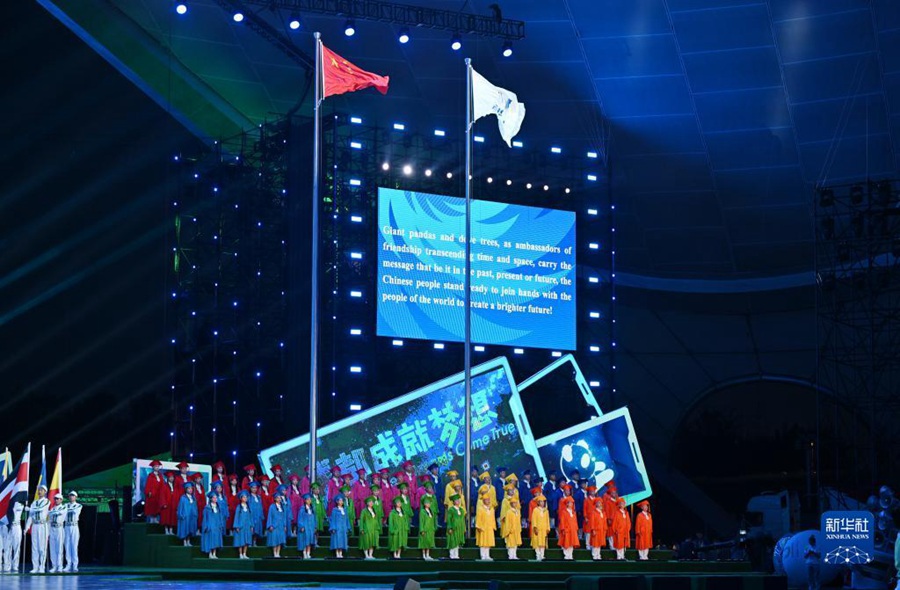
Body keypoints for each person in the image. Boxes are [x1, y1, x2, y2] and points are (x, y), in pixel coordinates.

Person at [25, 483, 51, 573]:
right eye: (39, 490)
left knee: (42, 547)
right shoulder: (34, 502)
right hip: (35, 526)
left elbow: (40, 509)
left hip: (42, 525)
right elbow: (30, 517)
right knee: (34, 547)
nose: (39, 491)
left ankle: (41, 567)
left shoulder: (47, 501)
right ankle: (35, 567)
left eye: (41, 490)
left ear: (45, 492)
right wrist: (27, 527)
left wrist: (29, 509)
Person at [63, 491, 83, 572]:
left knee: (74, 546)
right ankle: (68, 564)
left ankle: (75, 565)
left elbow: (75, 512)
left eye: (73, 496)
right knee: (67, 546)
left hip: (74, 526)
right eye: (70, 496)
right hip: (67, 526)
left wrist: (66, 510)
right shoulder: (65, 505)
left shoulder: (78, 505)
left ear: (76, 497)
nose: (71, 497)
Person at [201, 491, 224, 559]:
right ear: (211, 499)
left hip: (217, 526)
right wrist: (206, 526)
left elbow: (220, 517)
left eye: (216, 498)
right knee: (210, 540)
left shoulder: (218, 507)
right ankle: (210, 553)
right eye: (214, 498)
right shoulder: (207, 508)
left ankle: (214, 553)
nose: (215, 499)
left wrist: (221, 524)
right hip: (210, 526)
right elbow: (205, 518)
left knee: (216, 540)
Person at [47, 493, 66, 573]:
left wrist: (50, 513)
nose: (56, 500)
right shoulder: (53, 508)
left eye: (58, 499)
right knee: (52, 548)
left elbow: (60, 513)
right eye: (55, 498)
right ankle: (54, 566)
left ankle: (60, 566)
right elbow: (49, 519)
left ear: (61, 500)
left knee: (59, 548)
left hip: (59, 528)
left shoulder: (64, 507)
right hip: (52, 528)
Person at [4, 499, 24, 572]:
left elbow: (17, 510)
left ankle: (15, 565)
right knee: (7, 546)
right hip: (9, 526)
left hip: (17, 526)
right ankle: (7, 565)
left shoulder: (20, 505)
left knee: (16, 546)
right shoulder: (7, 504)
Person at [557, 494, 580, 560]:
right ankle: (566, 556)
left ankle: (570, 555)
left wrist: (576, 529)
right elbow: (562, 521)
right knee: (566, 543)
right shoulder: (564, 512)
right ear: (567, 504)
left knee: (572, 543)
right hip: (567, 530)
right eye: (570, 503)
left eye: (572, 503)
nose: (571, 504)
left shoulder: (573, 512)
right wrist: (563, 529)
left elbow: (575, 521)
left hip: (573, 530)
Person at [476, 490, 497, 561]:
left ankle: (487, 555)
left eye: (488, 500)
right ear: (483, 501)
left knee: (488, 542)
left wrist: (493, 526)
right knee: (483, 542)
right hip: (483, 528)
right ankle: (483, 555)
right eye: (486, 500)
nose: (488, 501)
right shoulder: (480, 509)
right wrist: (479, 526)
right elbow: (478, 518)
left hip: (489, 528)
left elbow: (493, 518)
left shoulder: (491, 509)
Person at [358, 495, 381, 560]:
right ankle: (366, 555)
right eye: (370, 502)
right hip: (366, 528)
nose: (371, 503)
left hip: (373, 529)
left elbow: (376, 520)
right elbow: (362, 520)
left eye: (372, 502)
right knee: (366, 542)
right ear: (367, 503)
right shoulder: (364, 511)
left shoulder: (374, 510)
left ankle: (370, 555)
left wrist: (377, 528)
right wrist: (361, 529)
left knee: (372, 542)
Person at [232, 490, 253, 559]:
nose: (245, 498)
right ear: (241, 498)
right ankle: (240, 554)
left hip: (247, 525)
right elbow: (236, 517)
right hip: (241, 526)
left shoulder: (248, 507)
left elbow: (250, 517)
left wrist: (251, 525)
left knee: (246, 540)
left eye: (246, 497)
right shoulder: (239, 507)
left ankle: (244, 553)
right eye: (244, 497)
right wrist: (236, 526)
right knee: (241, 540)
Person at [266, 492, 288, 558]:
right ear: (275, 499)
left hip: (281, 525)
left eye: (280, 498)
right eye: (277, 498)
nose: (279, 499)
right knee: (275, 540)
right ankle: (274, 552)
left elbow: (284, 517)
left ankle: (278, 553)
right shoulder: (272, 507)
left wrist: (284, 525)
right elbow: (270, 516)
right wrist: (270, 525)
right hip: (274, 525)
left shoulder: (282, 507)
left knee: (280, 539)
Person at [176, 482, 199, 547]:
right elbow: (180, 507)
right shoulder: (183, 498)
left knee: (190, 529)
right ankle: (184, 541)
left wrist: (195, 514)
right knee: (185, 529)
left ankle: (188, 541)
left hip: (192, 517)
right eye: (189, 488)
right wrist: (181, 515)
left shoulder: (193, 498)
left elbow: (195, 507)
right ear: (186, 489)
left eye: (191, 488)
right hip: (185, 516)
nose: (190, 490)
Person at [296, 494, 318, 559]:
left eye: (310, 499)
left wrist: (315, 527)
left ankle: (308, 553)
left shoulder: (312, 509)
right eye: (308, 499)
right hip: (305, 527)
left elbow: (314, 518)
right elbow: (300, 518)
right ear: (305, 500)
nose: (309, 500)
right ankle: (304, 553)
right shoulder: (302, 509)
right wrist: (301, 526)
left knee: (310, 540)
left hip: (311, 527)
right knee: (305, 540)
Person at [445, 493, 466, 560]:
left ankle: (456, 555)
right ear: (453, 502)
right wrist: (450, 528)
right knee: (453, 541)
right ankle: (452, 555)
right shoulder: (451, 510)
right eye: (456, 500)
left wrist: (464, 528)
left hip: (459, 528)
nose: (458, 501)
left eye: (458, 500)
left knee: (457, 542)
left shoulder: (461, 510)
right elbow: (449, 519)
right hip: (453, 528)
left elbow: (462, 520)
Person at [530, 494, 550, 562]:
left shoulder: (546, 511)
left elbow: (547, 520)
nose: (542, 503)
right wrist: (535, 527)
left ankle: (542, 555)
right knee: (537, 542)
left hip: (544, 529)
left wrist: (548, 528)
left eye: (543, 501)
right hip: (538, 529)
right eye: (540, 501)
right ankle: (538, 555)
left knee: (543, 543)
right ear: (538, 502)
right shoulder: (535, 510)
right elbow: (534, 519)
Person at [418, 496, 437, 561]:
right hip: (425, 529)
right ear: (424, 504)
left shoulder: (431, 511)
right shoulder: (422, 511)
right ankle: (424, 555)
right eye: (427, 503)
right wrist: (422, 530)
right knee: (424, 543)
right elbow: (421, 521)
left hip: (430, 529)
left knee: (429, 542)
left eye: (429, 503)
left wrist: (433, 528)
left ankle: (428, 554)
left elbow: (432, 521)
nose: (428, 504)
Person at [159, 470, 177, 535]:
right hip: (167, 504)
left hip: (173, 504)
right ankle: (166, 530)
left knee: (172, 518)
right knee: (166, 518)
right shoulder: (164, 485)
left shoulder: (174, 486)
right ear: (167, 478)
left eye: (172, 477)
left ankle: (171, 530)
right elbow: (162, 495)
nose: (171, 478)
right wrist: (163, 503)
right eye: (170, 477)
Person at [248, 481, 265, 546]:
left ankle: (254, 542)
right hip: (251, 516)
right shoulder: (249, 497)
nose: (254, 489)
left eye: (255, 488)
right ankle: (249, 542)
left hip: (258, 516)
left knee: (256, 530)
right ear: (250, 488)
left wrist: (261, 515)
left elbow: (261, 506)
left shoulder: (259, 497)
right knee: (251, 529)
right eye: (253, 488)